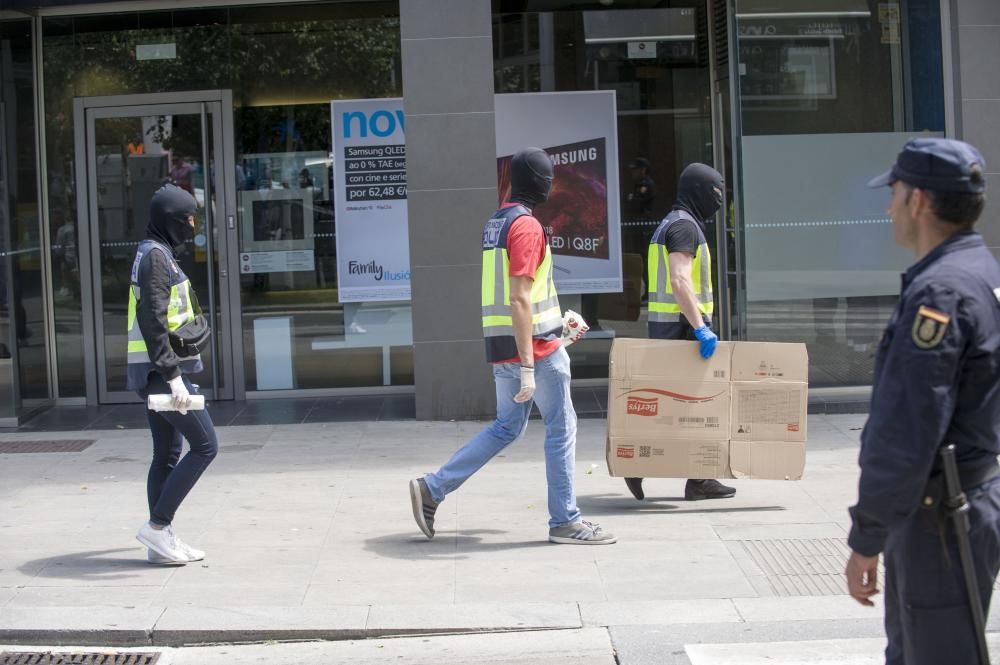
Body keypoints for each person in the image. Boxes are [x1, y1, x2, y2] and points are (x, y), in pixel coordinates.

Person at [409, 147, 615, 545]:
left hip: (511, 346)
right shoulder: (526, 227)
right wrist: (528, 363)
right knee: (561, 428)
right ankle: (566, 522)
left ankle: (433, 488)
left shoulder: (497, 223)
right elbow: (519, 298)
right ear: (539, 182)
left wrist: (557, 327)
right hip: (535, 354)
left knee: (507, 427)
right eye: (548, 177)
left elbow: (524, 297)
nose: (551, 183)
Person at [845, 137, 1000, 665]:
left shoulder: (940, 295)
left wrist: (868, 535)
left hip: (939, 518)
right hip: (962, 503)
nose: (889, 208)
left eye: (893, 192)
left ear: (918, 201)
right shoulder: (980, 273)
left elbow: (906, 429)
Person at [624, 163, 737, 502]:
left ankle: (695, 477)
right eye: (716, 194)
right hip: (685, 331)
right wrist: (701, 328)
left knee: (682, 407)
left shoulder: (670, 223)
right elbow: (679, 280)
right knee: (695, 406)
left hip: (672, 329)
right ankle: (640, 462)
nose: (718, 201)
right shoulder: (685, 227)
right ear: (701, 192)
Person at [129, 183, 218, 565]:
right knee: (206, 446)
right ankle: (157, 526)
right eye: (188, 218)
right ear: (172, 219)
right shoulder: (156, 259)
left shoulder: (157, 252)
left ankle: (160, 543)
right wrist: (173, 376)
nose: (193, 224)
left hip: (158, 371)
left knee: (166, 454)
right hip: (163, 372)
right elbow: (151, 320)